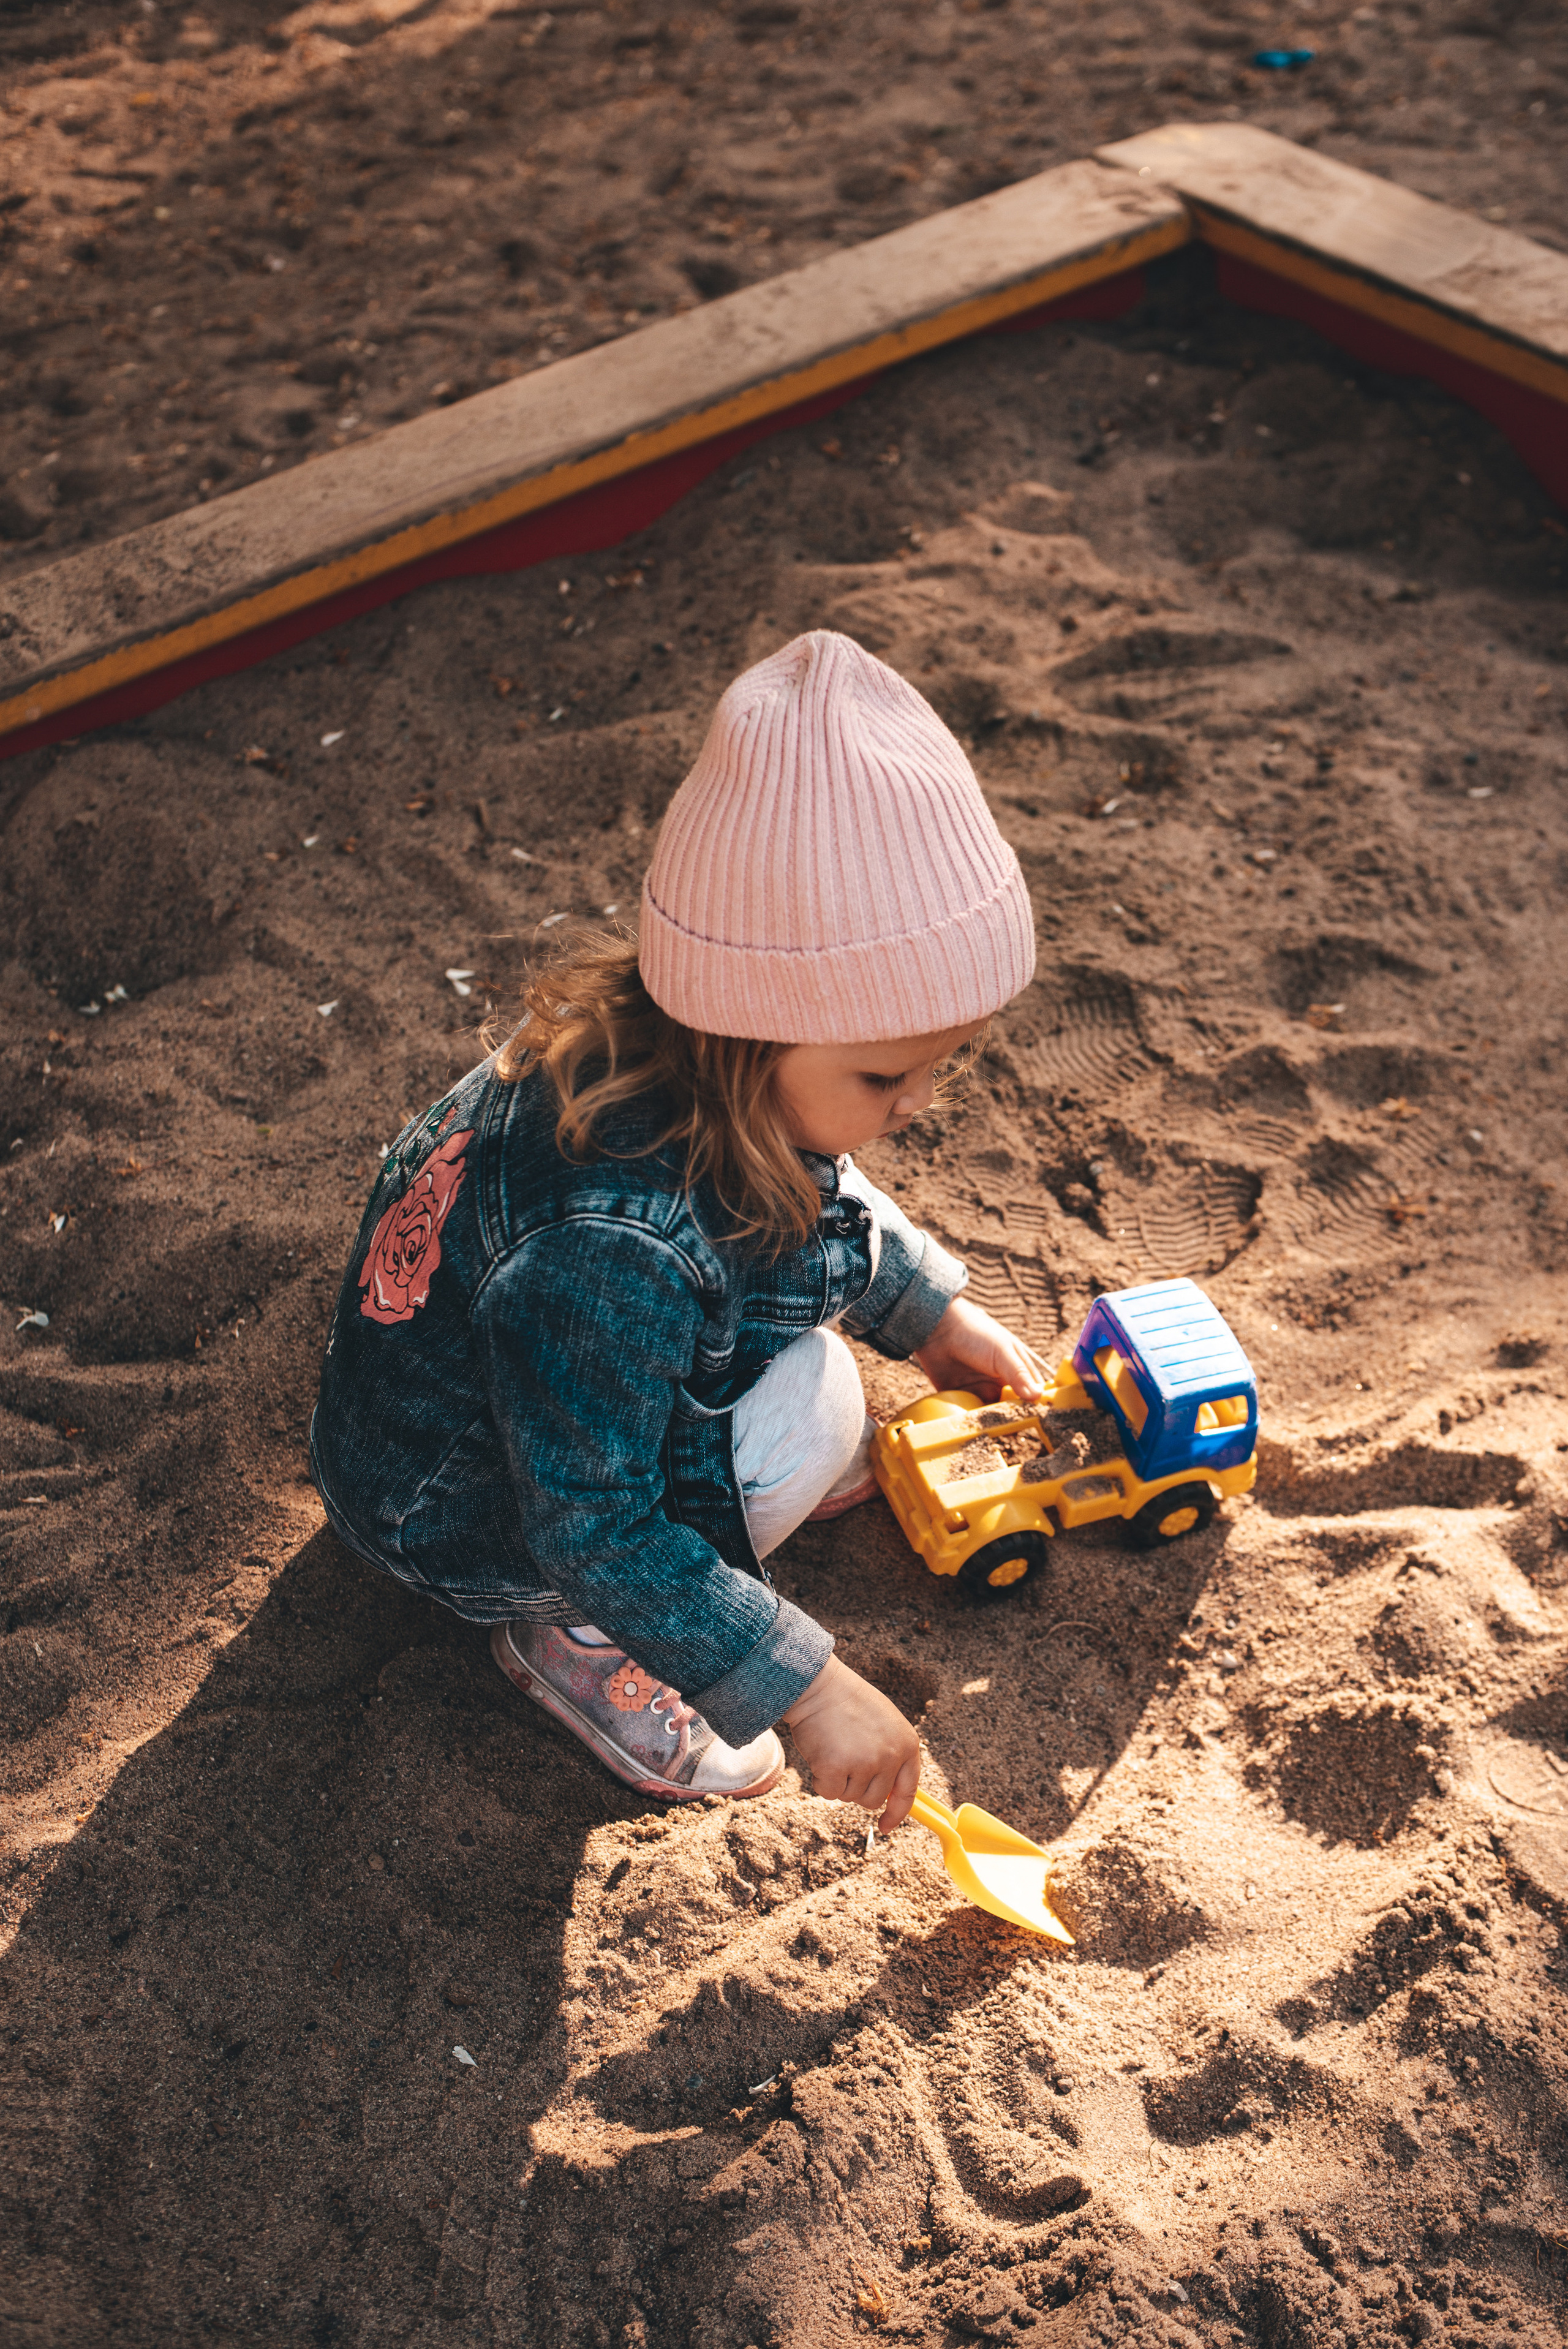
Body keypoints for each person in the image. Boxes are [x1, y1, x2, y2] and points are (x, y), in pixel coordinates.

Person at [311, 631, 1047, 1836]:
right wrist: (807, 1689)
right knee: (811, 1413)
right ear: (749, 1033)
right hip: (460, 1510)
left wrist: (928, 1315)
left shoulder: (701, 1070)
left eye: (942, 1060)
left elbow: (819, 1195)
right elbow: (589, 1519)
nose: (916, 1101)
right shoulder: (610, 1243)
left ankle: (679, 1560)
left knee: (819, 1395)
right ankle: (573, 1639)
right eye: (883, 1075)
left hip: (500, 1405)